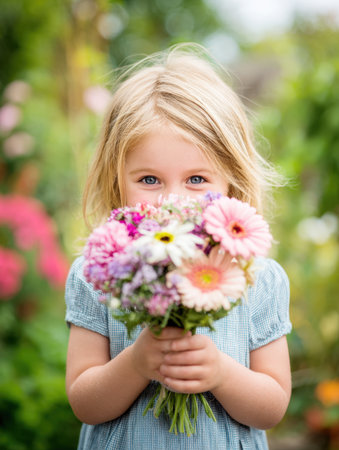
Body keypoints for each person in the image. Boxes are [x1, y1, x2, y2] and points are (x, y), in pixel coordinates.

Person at [65, 43, 292, 449]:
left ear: (232, 181)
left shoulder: (258, 278)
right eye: (149, 180)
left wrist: (222, 373)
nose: (173, 202)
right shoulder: (98, 273)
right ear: (116, 178)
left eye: (197, 180)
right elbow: (84, 402)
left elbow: (273, 405)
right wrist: (136, 363)